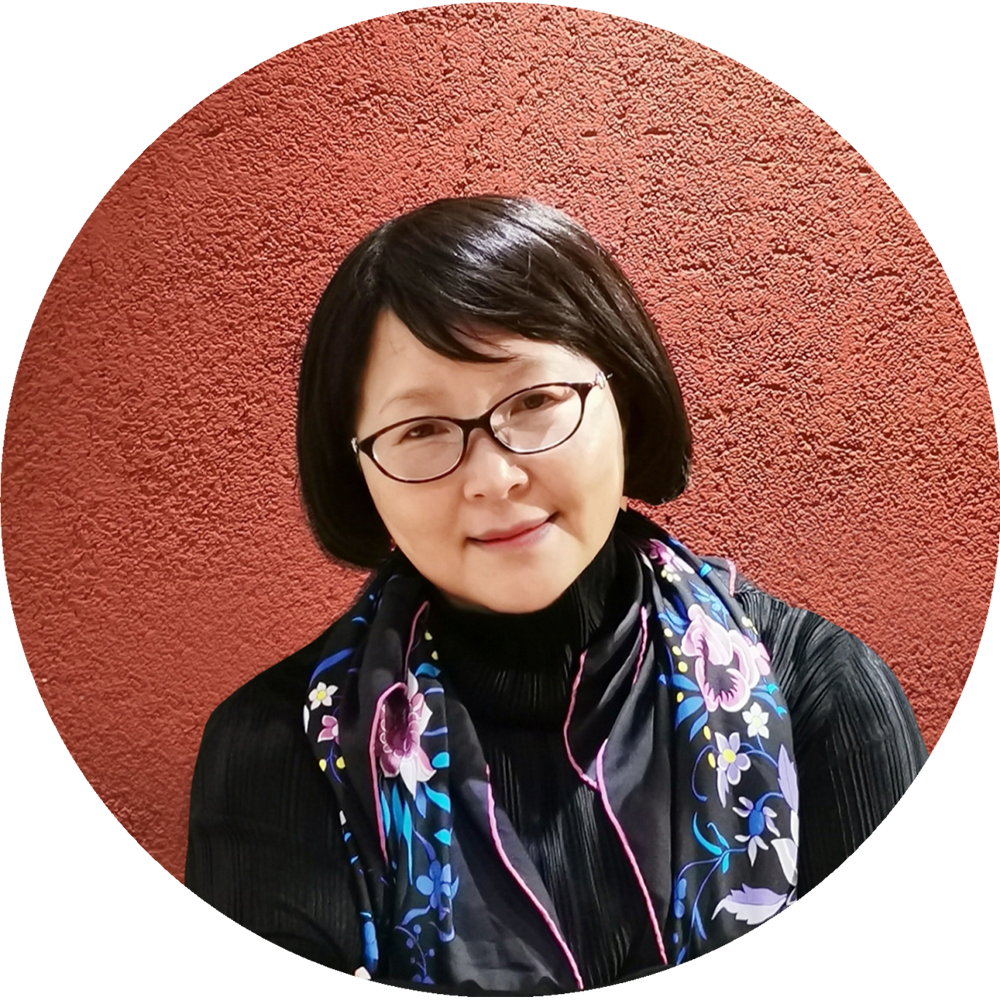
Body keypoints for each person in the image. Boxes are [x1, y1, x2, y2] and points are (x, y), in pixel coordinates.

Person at [184, 196, 928, 997]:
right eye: (421, 429)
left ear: (624, 395)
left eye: (535, 402)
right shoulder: (284, 749)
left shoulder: (822, 696)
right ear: (359, 470)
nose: (493, 478)